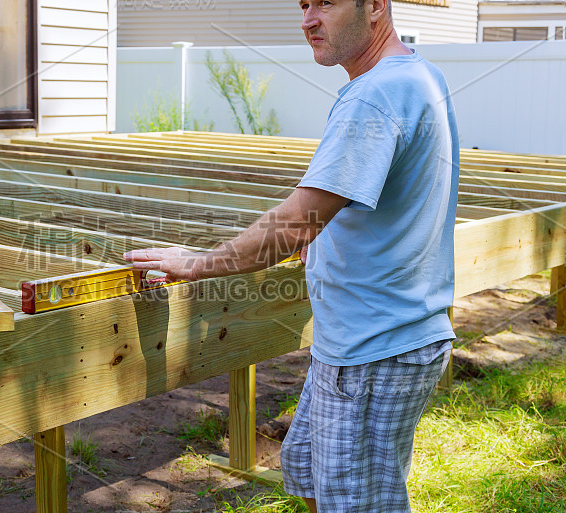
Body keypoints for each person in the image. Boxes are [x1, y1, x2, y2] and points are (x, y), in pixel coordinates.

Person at [123, 0, 459, 509]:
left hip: (376, 349)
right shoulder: (415, 75)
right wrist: (328, 245)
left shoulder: (377, 93)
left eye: (327, 2)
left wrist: (196, 263)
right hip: (368, 339)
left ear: (374, 7)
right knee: (304, 469)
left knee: (355, 502)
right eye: (303, 4)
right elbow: (387, 201)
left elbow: (300, 218)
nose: (308, 19)